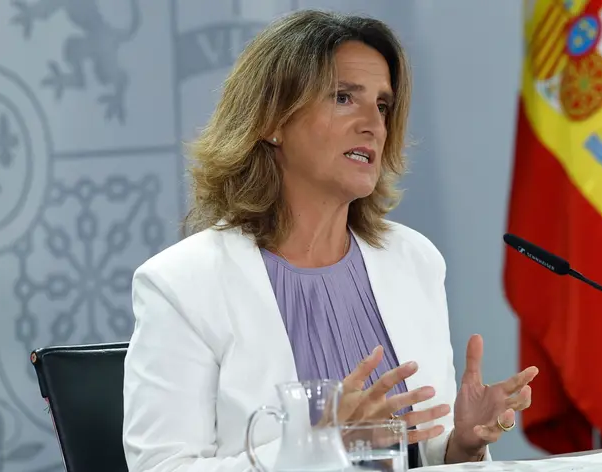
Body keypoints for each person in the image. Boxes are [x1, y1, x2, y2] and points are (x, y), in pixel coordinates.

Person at [122, 9, 538, 471]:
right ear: (271, 120)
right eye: (344, 98)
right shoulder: (181, 283)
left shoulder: (413, 260)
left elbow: (415, 455)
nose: (373, 125)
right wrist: (316, 445)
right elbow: (161, 467)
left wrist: (463, 446)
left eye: (382, 105)